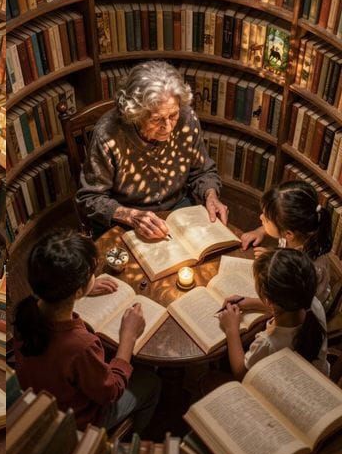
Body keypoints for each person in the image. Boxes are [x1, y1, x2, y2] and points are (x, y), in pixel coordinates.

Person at [13, 229, 160, 432]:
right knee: (152, 383)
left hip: (43, 398)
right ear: (78, 290)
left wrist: (83, 289)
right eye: (92, 274)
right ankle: (128, 444)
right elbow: (112, 391)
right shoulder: (81, 346)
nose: (94, 277)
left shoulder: (25, 311)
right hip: (78, 421)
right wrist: (129, 337)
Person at [76, 59, 227, 241]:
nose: (168, 127)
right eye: (157, 119)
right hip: (127, 217)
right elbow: (90, 198)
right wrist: (130, 215)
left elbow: (203, 171)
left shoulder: (187, 119)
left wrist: (211, 195)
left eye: (173, 115)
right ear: (134, 114)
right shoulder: (108, 134)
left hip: (177, 209)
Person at [219, 248, 329, 378]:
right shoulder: (313, 303)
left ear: (269, 300)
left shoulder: (268, 344)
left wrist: (231, 329)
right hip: (320, 378)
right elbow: (290, 304)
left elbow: (241, 372)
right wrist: (252, 302)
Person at [238, 180, 334, 304]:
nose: (260, 217)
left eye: (266, 219)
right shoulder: (299, 232)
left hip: (305, 310)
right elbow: (278, 229)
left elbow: (292, 308)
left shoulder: (307, 269)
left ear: (288, 234)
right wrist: (260, 231)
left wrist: (273, 263)